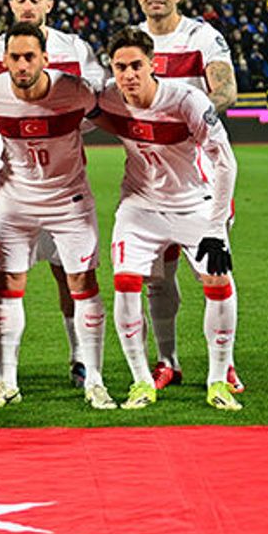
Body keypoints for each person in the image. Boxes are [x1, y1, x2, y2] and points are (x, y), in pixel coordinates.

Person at [0, 0, 107, 388]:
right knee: (4, 275)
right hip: (6, 180)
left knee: (68, 272)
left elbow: (92, 104)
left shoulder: (74, 49)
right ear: (10, 4)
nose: (27, 6)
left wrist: (60, 130)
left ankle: (79, 358)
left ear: (49, 4)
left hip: (63, 182)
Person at [96, 27, 241, 412]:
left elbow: (226, 162)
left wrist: (215, 227)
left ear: (152, 65)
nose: (129, 74)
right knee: (126, 283)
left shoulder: (187, 100)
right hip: (140, 204)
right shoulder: (107, 96)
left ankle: (218, 379)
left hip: (194, 203)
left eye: (136, 65)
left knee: (218, 281)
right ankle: (141, 380)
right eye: (120, 67)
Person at [135, 0, 242, 393]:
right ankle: (168, 362)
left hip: (201, 176)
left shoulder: (202, 37)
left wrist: (190, 116)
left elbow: (227, 90)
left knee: (214, 272)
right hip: (151, 179)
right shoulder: (134, 40)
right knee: (158, 278)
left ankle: (225, 364)